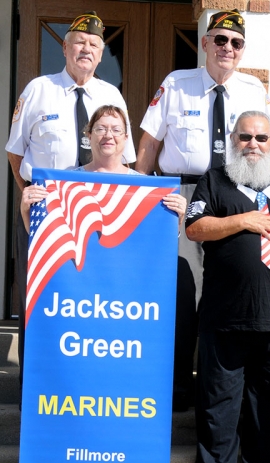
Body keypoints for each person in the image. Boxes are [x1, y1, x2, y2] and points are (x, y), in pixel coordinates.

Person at [136, 9, 270, 412]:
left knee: (229, 287)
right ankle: (177, 386)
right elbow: (148, 147)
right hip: (182, 193)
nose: (227, 48)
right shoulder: (176, 84)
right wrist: (138, 203)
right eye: (220, 39)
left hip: (235, 194)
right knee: (181, 292)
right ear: (205, 43)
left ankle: (217, 386)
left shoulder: (253, 88)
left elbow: (263, 149)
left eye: (236, 42)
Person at [6, 11, 135, 399]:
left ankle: (83, 383)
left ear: (100, 55)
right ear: (64, 47)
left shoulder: (111, 95)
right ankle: (36, 386)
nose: (86, 49)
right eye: (79, 42)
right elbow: (16, 153)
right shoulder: (38, 89)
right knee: (42, 298)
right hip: (46, 213)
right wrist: (31, 195)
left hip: (94, 218)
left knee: (88, 300)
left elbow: (123, 160)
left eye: (94, 45)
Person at [185, 111, 270, 463]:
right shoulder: (215, 180)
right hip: (225, 313)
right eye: (245, 137)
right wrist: (243, 221)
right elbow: (194, 227)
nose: (253, 144)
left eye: (261, 137)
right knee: (218, 398)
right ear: (233, 139)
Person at [20, 105, 185, 235]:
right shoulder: (65, 184)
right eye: (101, 129)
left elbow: (155, 242)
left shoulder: (145, 188)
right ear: (89, 135)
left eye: (116, 130)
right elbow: (47, 238)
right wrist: (26, 211)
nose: (108, 135)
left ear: (126, 138)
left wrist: (176, 219)